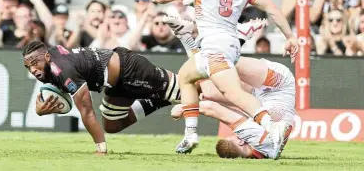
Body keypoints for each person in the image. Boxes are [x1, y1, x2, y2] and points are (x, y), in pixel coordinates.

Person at [23, 18, 266, 155]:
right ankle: (155, 100)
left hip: (131, 70)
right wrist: (43, 109)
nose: (32, 69)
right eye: (27, 66)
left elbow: (85, 108)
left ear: (46, 58)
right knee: (112, 124)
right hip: (114, 84)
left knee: (202, 90)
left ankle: (238, 41)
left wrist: (101, 147)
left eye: (34, 63)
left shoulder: (59, 67)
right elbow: (63, 87)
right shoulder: (49, 60)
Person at [152, 0, 298, 154]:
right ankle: (190, 134)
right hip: (227, 45)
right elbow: (273, 9)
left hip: (216, 46)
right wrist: (290, 36)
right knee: (186, 76)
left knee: (234, 94)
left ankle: (272, 128)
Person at [171, 56, 295, 159]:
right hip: (278, 84)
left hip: (259, 96)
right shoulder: (254, 138)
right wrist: (184, 109)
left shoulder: (265, 153)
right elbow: (212, 109)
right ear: (241, 142)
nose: (238, 134)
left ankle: (178, 86)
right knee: (222, 59)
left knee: (209, 90)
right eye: (237, 136)